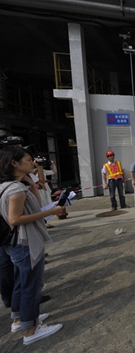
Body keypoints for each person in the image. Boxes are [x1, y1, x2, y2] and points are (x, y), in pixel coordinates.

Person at [0, 146, 65, 345]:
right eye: (28, 160)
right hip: (25, 242)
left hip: (14, 243)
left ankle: (19, 319)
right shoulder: (16, 189)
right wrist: (50, 212)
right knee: (31, 286)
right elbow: (15, 218)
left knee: (21, 282)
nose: (33, 163)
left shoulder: (5, 186)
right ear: (14, 163)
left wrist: (29, 182)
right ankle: (31, 330)